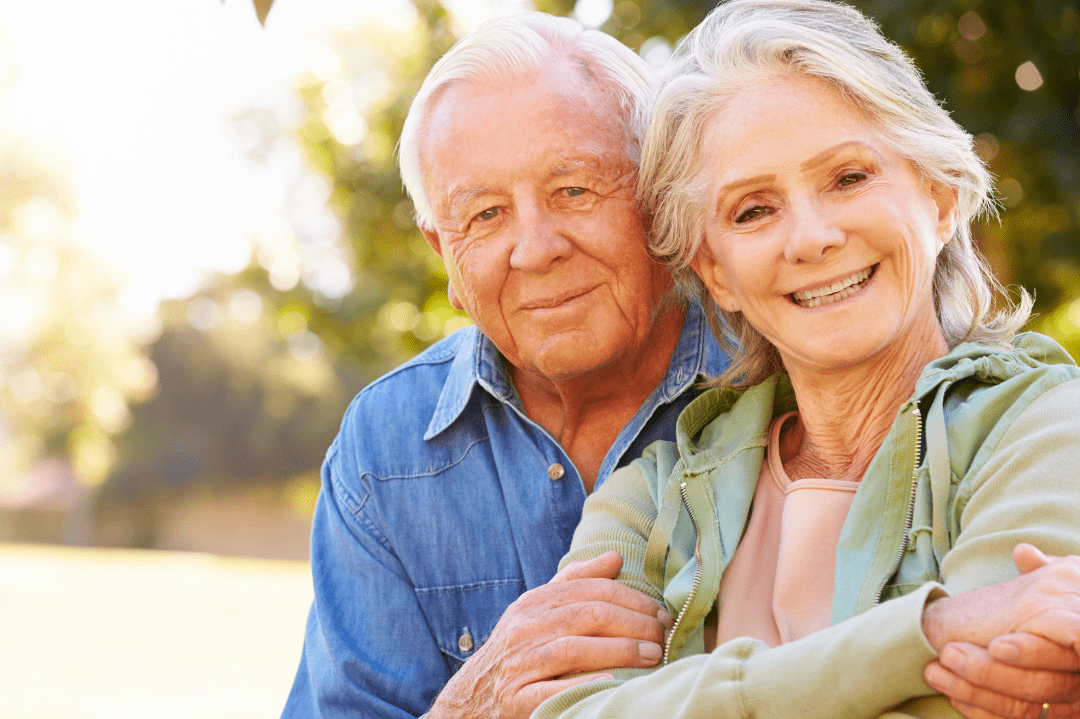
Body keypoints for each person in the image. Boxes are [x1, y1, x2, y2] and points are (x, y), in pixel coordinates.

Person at [528, 2, 1080, 718]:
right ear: (715, 271)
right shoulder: (651, 499)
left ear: (940, 198)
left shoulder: (1046, 431)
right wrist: (926, 633)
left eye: (849, 177)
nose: (812, 237)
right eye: (753, 210)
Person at [281, 13, 730, 719]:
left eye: (574, 190)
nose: (536, 247)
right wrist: (473, 705)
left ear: (658, 195)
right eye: (485, 214)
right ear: (444, 257)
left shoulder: (783, 377)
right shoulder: (386, 444)